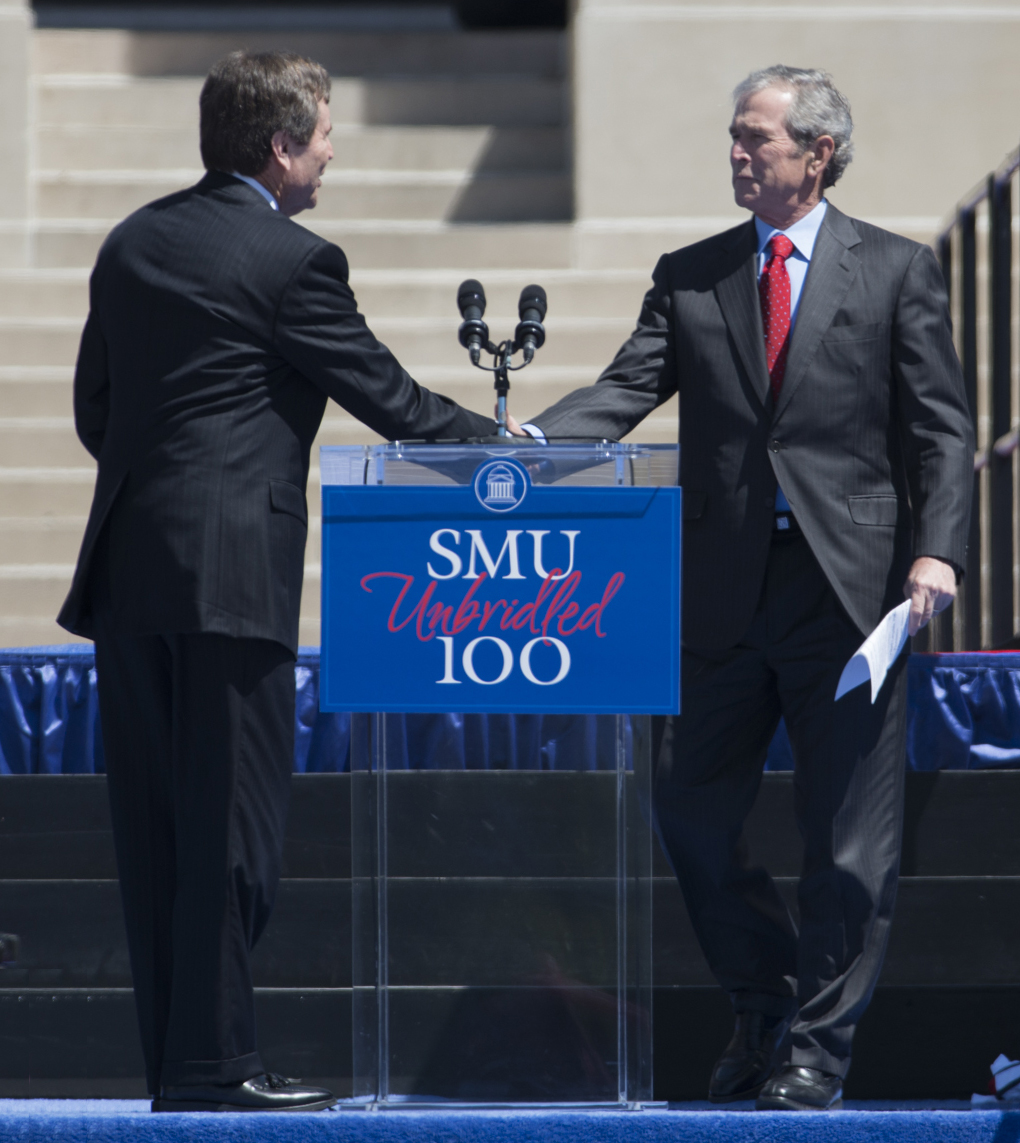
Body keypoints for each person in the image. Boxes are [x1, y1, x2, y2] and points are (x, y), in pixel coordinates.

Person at [514, 66, 973, 1110]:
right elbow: (629, 387)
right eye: (732, 137)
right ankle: (763, 1000)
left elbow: (942, 429)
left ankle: (815, 1052)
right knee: (686, 811)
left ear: (816, 154)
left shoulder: (895, 270)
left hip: (849, 596)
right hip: (719, 594)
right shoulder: (693, 275)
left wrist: (936, 550)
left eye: (754, 139)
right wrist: (537, 443)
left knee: (848, 844)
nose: (736, 154)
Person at [57, 50, 495, 1113]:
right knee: (235, 830)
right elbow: (388, 399)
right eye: (325, 134)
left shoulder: (132, 243)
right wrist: (503, 446)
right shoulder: (294, 260)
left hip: (129, 569)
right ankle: (219, 1065)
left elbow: (94, 412)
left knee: (155, 828)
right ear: (281, 146)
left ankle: (178, 1063)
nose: (333, 152)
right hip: (234, 574)